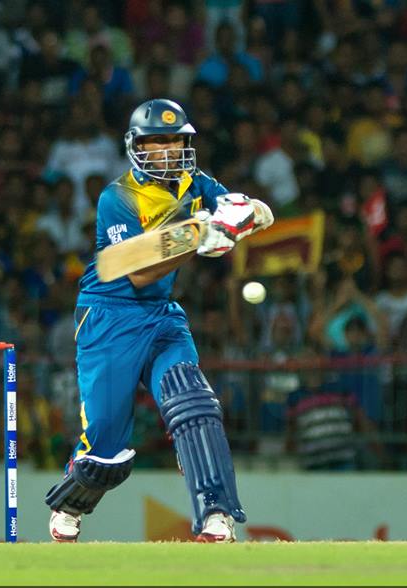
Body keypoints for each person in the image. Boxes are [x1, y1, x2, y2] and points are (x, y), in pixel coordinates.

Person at [44, 98, 273, 543]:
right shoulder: (117, 198)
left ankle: (216, 513)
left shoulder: (195, 182)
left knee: (195, 405)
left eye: (175, 140)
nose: (167, 150)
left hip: (162, 317)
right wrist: (199, 235)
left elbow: (241, 209)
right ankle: (71, 502)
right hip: (109, 317)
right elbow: (140, 273)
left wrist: (251, 213)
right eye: (156, 141)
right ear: (137, 147)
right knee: (106, 448)